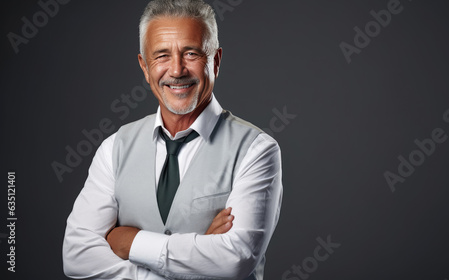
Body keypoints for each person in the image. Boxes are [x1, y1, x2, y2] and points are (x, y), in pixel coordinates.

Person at [62, 0, 283, 279]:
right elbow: (76, 255)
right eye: (162, 56)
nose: (177, 70)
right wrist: (199, 252)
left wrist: (130, 243)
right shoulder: (114, 149)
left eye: (191, 53)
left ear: (215, 60)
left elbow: (235, 259)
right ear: (144, 66)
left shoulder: (256, 150)